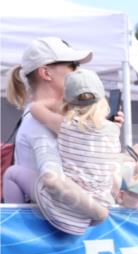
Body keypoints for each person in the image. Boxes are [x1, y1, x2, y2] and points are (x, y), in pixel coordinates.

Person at [33, 69, 138, 234]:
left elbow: (36, 107)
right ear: (103, 102)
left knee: (15, 174)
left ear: (66, 101)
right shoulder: (112, 131)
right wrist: (108, 124)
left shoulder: (64, 125)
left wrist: (61, 104)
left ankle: (16, 219)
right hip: (93, 214)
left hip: (62, 212)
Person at [3, 37, 93, 204]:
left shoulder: (39, 115)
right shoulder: (38, 121)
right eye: (72, 64)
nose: (78, 71)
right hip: (50, 223)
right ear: (45, 73)